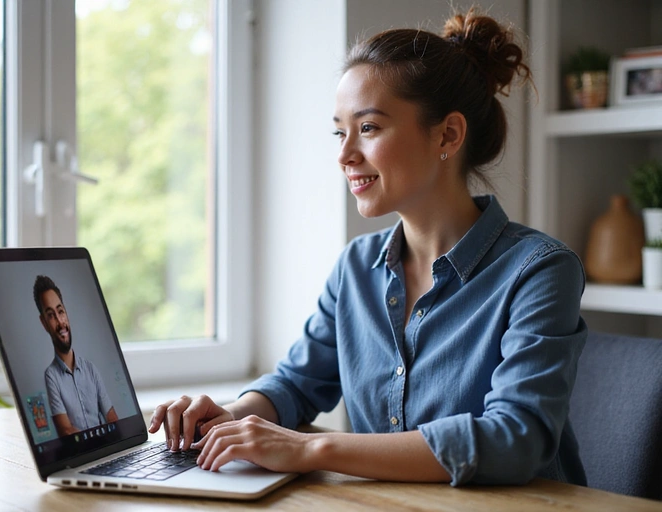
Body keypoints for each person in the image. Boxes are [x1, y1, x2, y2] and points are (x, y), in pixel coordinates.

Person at [149, 9, 588, 487]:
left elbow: (516, 438)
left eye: (369, 128)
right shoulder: (356, 267)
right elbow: (296, 384)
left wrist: (310, 447)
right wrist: (228, 418)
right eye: (340, 131)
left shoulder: (540, 271)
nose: (344, 155)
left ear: (448, 134)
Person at [33, 275, 119, 437]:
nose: (60, 322)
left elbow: (111, 416)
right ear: (43, 323)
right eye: (51, 315)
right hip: (81, 453)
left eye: (60, 311)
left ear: (66, 312)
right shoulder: (51, 376)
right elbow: (66, 430)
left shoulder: (90, 369)